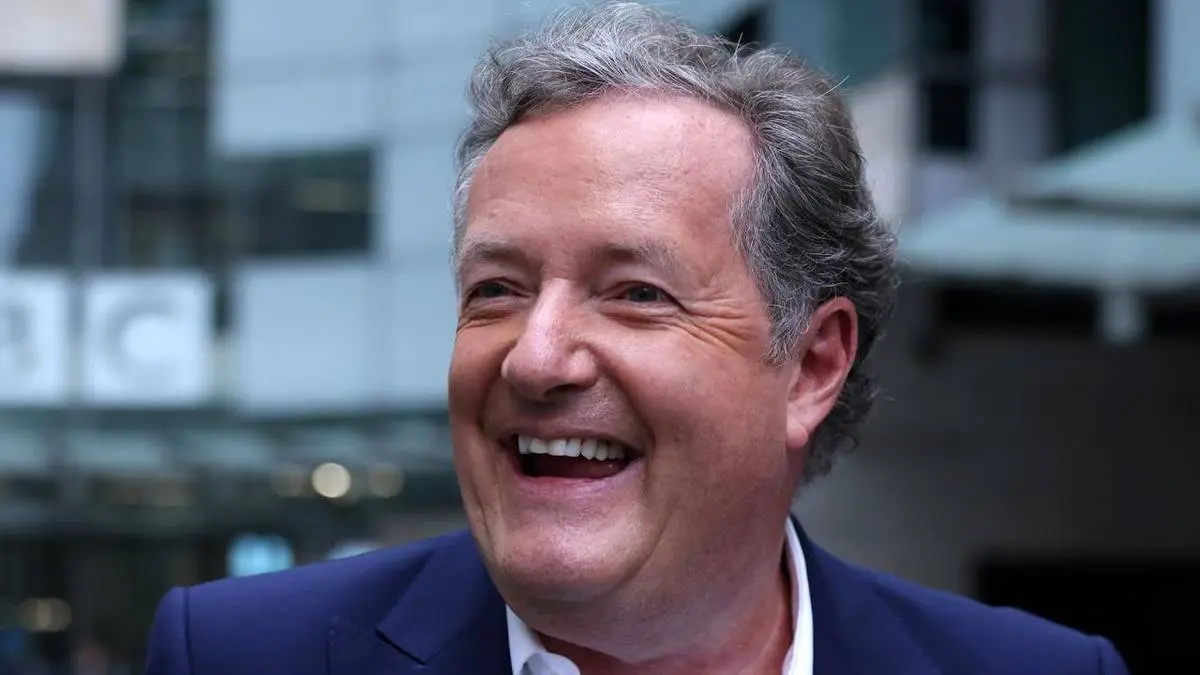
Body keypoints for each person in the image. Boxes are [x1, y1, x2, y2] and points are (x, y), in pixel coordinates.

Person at [143, 3, 1129, 674]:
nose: (536, 357)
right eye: (496, 290)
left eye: (635, 294)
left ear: (810, 364)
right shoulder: (237, 655)